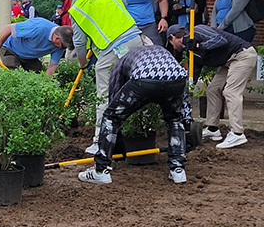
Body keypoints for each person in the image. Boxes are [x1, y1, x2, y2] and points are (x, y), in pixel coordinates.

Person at [57, 0, 147, 155]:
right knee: (136, 87)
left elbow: (80, 43)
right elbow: (123, 2)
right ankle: (140, 129)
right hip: (134, 36)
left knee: (103, 95)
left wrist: (82, 63)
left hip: (113, 47)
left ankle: (100, 140)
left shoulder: (77, 9)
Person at [78, 45, 190, 185]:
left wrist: (116, 138)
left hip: (145, 79)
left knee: (110, 117)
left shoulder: (121, 63)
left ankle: (101, 171)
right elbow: (183, 95)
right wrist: (188, 123)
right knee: (174, 118)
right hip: (177, 79)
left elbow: (114, 95)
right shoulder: (159, 51)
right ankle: (178, 170)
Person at [168, 23, 257, 149]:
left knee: (231, 92)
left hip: (242, 55)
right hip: (228, 62)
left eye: (171, 43)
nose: (173, 46)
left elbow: (221, 40)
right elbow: (194, 72)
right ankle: (212, 128)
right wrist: (186, 88)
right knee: (213, 90)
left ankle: (237, 133)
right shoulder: (190, 51)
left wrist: (199, 45)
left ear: (172, 37)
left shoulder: (197, 31)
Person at [0, 18, 72, 75]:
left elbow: (52, 67)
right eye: (62, 46)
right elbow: (8, 28)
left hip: (29, 57)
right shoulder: (38, 27)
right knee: (15, 75)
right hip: (11, 49)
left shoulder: (60, 46)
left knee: (37, 73)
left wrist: (46, 86)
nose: (62, 49)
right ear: (57, 38)